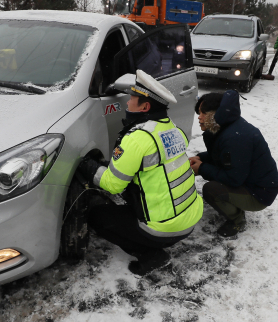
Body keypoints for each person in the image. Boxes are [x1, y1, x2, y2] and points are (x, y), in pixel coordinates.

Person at [77, 70, 203, 276]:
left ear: (145, 106)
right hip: (190, 217)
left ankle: (151, 255)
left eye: (132, 100)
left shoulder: (138, 137)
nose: (127, 104)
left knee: (97, 216)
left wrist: (88, 166)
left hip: (164, 228)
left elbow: (112, 184)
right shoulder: (175, 130)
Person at [189, 91, 278, 237]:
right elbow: (223, 157)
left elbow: (233, 178)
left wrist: (202, 168)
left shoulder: (235, 137)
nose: (199, 118)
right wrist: (201, 158)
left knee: (211, 189)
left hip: (260, 193)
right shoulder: (228, 127)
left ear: (216, 114)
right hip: (251, 182)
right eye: (199, 113)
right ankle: (235, 203)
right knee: (215, 178)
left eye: (203, 113)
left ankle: (237, 221)